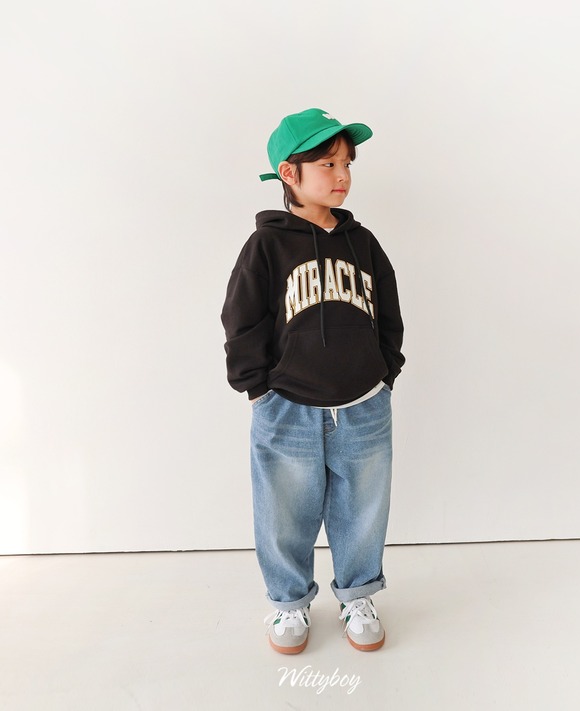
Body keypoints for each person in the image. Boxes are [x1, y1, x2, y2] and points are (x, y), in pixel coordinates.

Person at [221, 108, 405, 654]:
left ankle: (358, 596)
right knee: (283, 512)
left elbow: (389, 312)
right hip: (287, 406)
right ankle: (288, 604)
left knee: (363, 510)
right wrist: (257, 389)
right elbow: (242, 320)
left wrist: (385, 372)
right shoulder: (266, 246)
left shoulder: (363, 242)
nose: (342, 175)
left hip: (364, 404)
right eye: (327, 164)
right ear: (289, 173)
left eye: (347, 164)